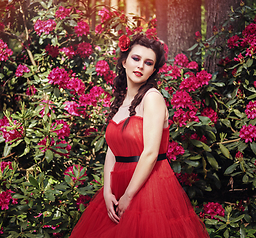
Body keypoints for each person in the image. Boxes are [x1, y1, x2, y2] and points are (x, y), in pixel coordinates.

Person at [69, 34, 209, 238]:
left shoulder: (152, 98)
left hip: (149, 186)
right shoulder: (120, 102)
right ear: (124, 61)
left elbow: (151, 153)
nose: (141, 66)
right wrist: (107, 191)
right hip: (118, 185)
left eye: (148, 63)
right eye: (136, 59)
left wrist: (128, 195)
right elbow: (112, 149)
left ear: (153, 70)